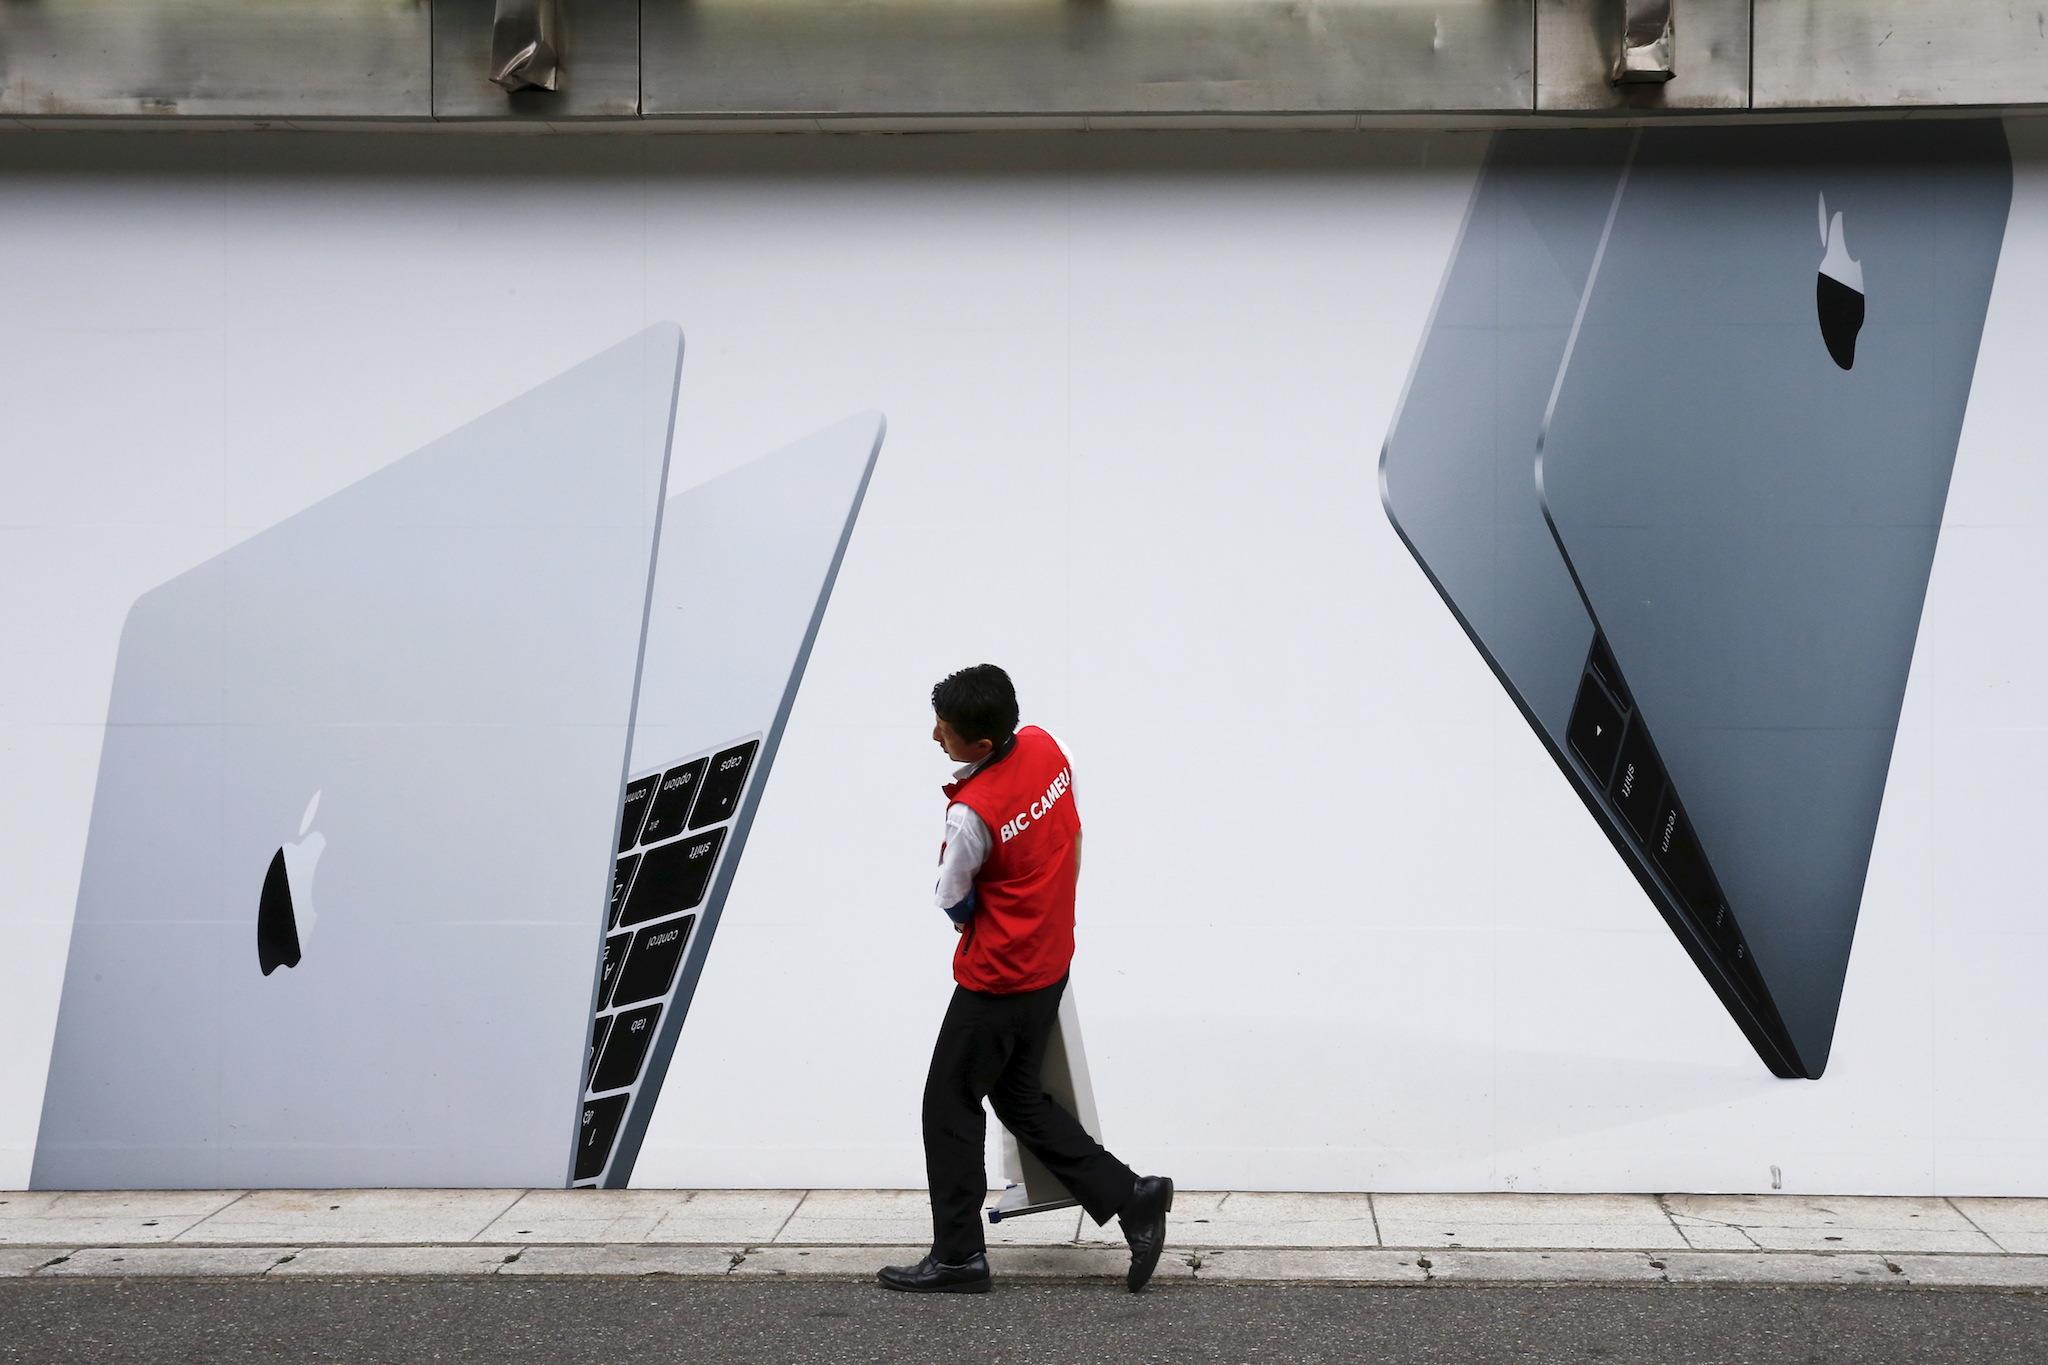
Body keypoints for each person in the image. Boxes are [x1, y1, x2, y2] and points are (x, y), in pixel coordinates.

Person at [878, 664, 1173, 1295]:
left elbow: (953, 898)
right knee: (1016, 1095)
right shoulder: (1045, 746)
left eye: (946, 729)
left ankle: (958, 1256)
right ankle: (1133, 1196)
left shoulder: (970, 813)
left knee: (948, 1104)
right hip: (1049, 960)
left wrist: (982, 919)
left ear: (980, 745)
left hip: (998, 977)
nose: (936, 735)